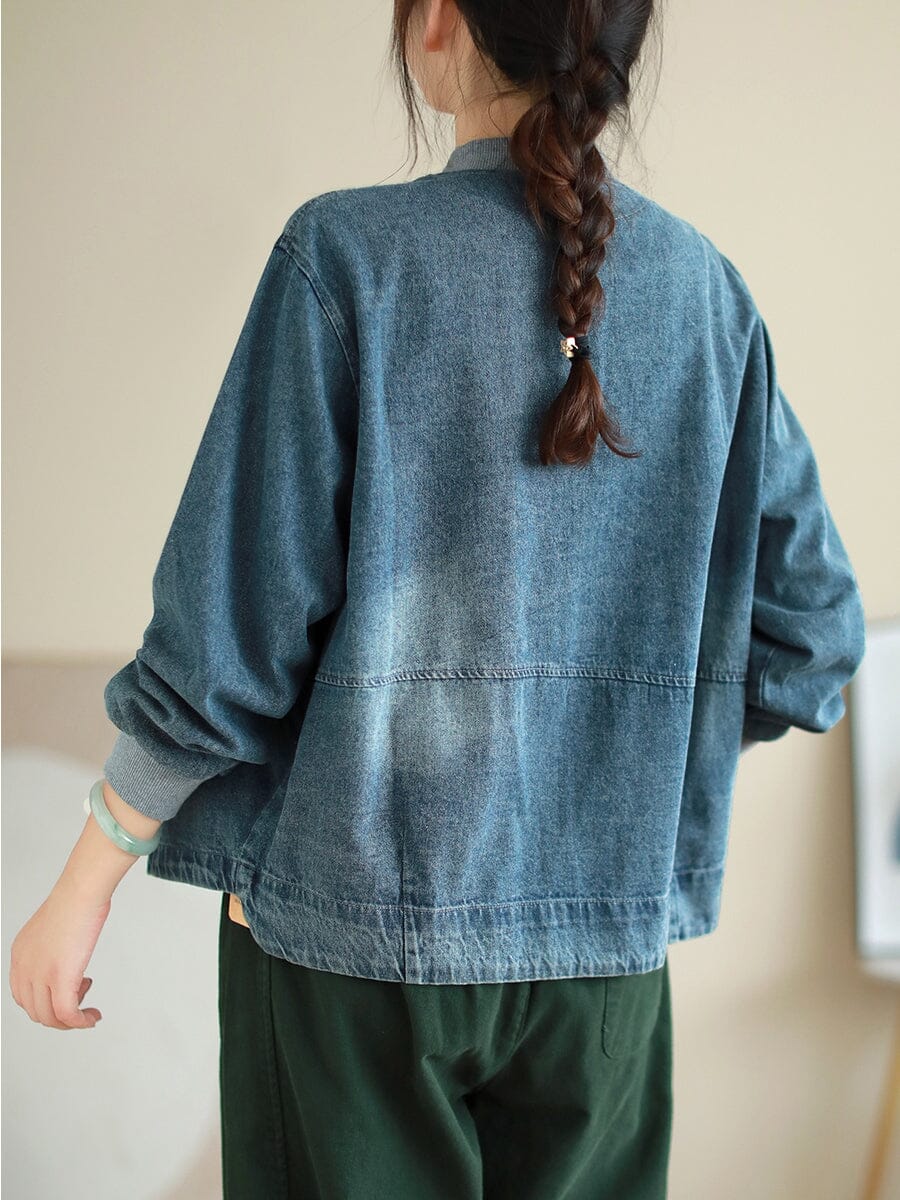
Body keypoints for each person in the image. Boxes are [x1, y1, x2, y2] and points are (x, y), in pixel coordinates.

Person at [9, 1, 867, 1197]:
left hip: (352, 951)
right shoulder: (710, 297)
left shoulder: (344, 259)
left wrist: (84, 882)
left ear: (440, 25)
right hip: (602, 967)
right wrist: (614, 758)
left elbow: (227, 638)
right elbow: (813, 639)